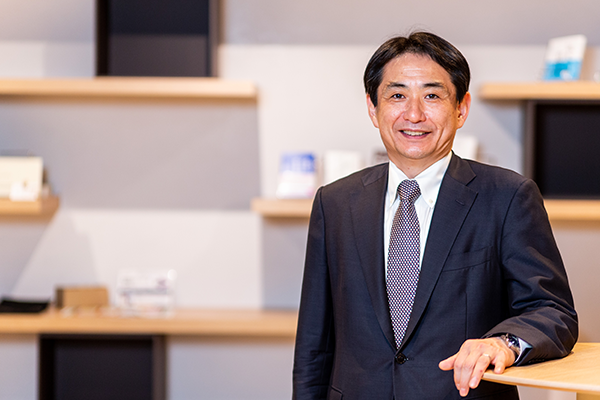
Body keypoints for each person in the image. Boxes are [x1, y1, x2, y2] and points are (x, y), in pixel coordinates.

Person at [292, 31, 578, 400]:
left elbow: (553, 312)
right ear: (372, 108)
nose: (413, 114)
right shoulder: (335, 203)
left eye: (432, 95)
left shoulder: (508, 197)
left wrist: (502, 344)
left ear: (461, 108)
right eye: (397, 96)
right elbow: (314, 344)